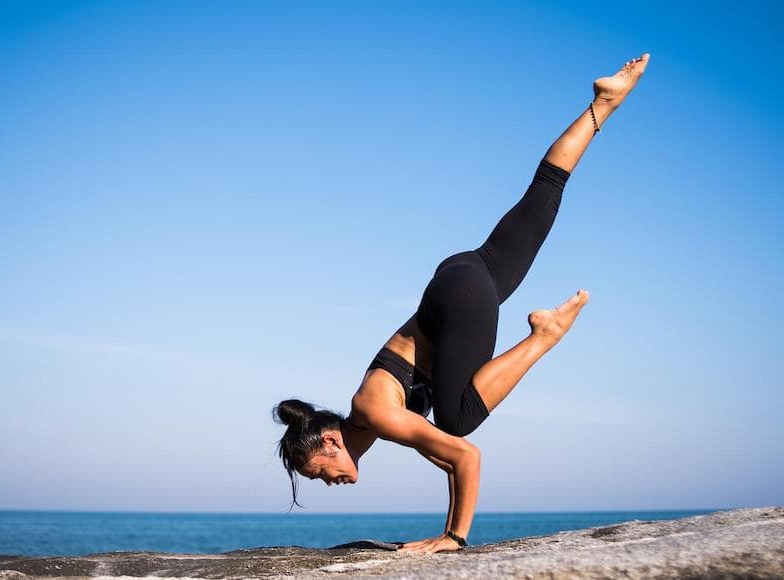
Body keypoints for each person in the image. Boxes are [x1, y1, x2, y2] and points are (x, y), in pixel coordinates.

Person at [272, 54, 650, 554]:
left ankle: (543, 336)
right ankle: (605, 102)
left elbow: (464, 456)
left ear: (329, 443)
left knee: (457, 420)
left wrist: (452, 537)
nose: (327, 483)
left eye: (319, 474)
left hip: (461, 299)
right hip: (460, 278)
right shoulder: (371, 420)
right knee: (542, 197)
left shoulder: (375, 413)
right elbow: (444, 459)